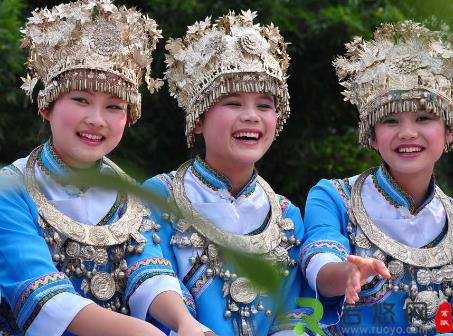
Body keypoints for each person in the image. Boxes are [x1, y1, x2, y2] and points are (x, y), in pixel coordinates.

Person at [0, 1, 203, 335]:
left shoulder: (130, 195)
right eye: (80, 100)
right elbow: (42, 296)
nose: (96, 119)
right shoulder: (12, 189)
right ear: (46, 106)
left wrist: (185, 322)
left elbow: (148, 270)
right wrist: (144, 332)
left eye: (113, 106)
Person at [144, 10, 327, 336]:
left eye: (264, 105)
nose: (251, 116)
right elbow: (150, 287)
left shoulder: (285, 216)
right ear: (197, 120)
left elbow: (294, 316)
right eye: (232, 102)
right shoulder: (159, 196)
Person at [301, 21, 453, 335]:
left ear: (449, 132)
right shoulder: (333, 197)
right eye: (391, 120)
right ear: (371, 136)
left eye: (424, 117)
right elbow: (319, 259)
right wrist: (347, 273)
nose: (408, 133)